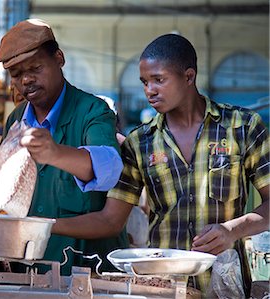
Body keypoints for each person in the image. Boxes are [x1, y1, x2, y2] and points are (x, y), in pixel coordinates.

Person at [52, 33, 269, 296]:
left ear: (189, 77)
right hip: (164, 288)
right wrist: (44, 226)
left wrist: (231, 230)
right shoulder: (139, 143)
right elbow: (110, 220)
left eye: (159, 80)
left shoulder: (242, 127)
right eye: (144, 82)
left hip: (227, 285)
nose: (149, 90)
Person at [0, 18, 129, 274]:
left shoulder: (94, 112)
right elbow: (18, 192)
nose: (26, 80)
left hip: (83, 271)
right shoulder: (15, 120)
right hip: (27, 267)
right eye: (17, 75)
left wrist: (56, 153)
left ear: (59, 58)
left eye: (36, 68)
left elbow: (108, 166)